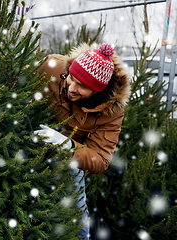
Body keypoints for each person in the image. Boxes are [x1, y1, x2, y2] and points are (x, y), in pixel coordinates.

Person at [35, 43, 130, 239]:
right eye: (71, 78)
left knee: (76, 219)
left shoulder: (111, 111)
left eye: (83, 86)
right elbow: (14, 80)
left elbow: (101, 159)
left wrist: (67, 145)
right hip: (31, 143)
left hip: (70, 157)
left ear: (98, 91)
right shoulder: (52, 66)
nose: (72, 87)